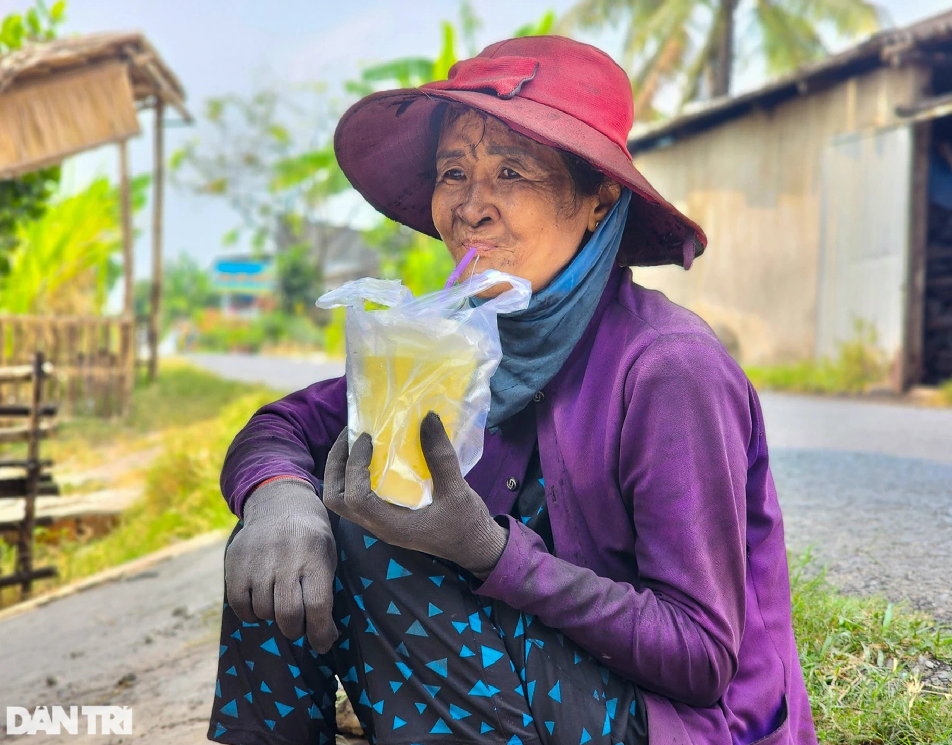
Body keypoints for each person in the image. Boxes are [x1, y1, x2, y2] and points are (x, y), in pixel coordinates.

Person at [207, 35, 818, 745]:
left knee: (363, 536)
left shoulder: (667, 368)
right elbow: (287, 427)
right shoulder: (457, 339)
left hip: (676, 723)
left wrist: (490, 552)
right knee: (281, 536)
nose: (472, 206)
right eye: (454, 171)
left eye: (511, 171)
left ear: (598, 198)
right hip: (534, 674)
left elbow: (700, 655)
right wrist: (278, 498)